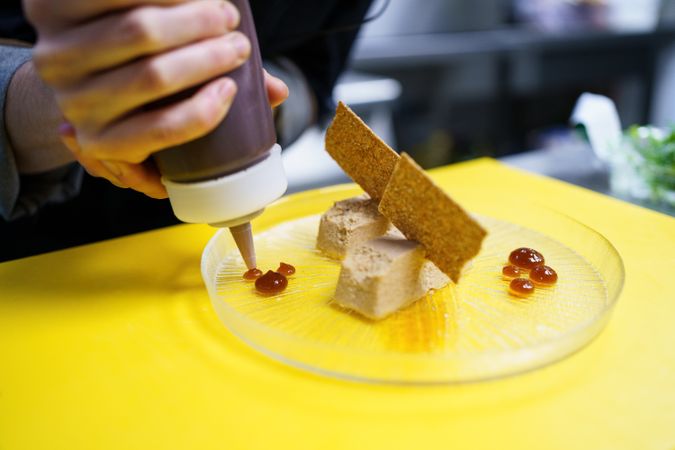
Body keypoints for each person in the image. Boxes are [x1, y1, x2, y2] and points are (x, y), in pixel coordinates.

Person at [0, 0, 374, 261]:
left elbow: (315, 71)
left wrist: (257, 111)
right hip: (37, 258)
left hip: (176, 244)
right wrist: (61, 96)